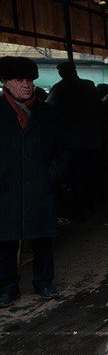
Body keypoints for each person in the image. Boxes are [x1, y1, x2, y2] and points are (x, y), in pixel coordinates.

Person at [0, 57, 70, 307]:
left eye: (29, 80)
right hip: (6, 188)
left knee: (42, 237)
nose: (26, 85)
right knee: (6, 240)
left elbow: (63, 150)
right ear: (5, 82)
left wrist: (50, 174)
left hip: (40, 185)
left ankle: (44, 282)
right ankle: (8, 287)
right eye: (19, 80)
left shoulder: (48, 112)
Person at [47, 62, 105, 216]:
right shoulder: (89, 85)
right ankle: (95, 204)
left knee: (77, 177)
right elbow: (99, 110)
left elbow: (50, 111)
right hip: (92, 139)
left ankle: (83, 207)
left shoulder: (59, 89)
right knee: (92, 173)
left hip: (72, 143)